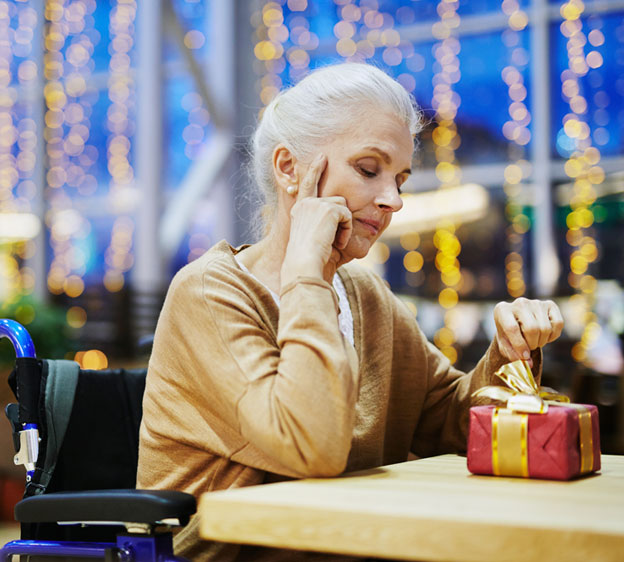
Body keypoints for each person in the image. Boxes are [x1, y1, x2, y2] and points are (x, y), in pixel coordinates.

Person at [137, 63, 563, 561]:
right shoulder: (209, 294)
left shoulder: (363, 294)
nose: (394, 200)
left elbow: (448, 420)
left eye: (400, 178)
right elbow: (310, 447)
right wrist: (306, 271)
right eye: (368, 169)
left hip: (342, 546)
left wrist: (508, 355)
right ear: (289, 169)